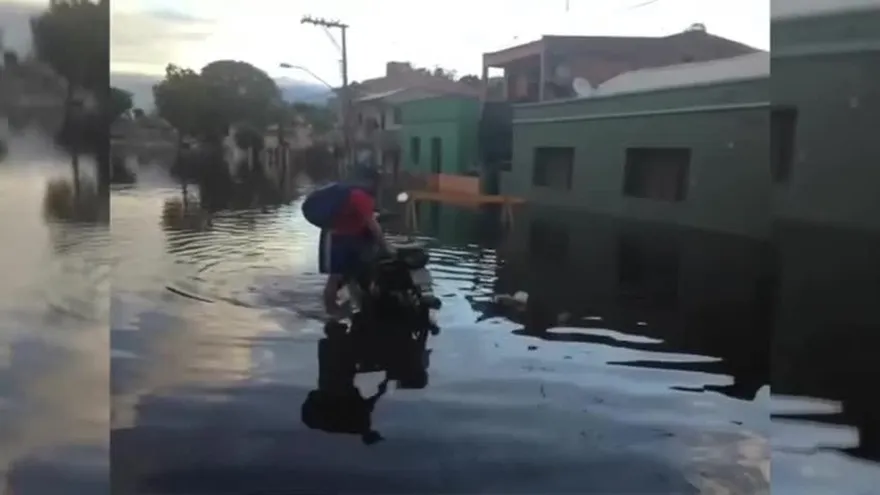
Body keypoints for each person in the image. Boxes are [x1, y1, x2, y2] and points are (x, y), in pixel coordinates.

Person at [301, 165, 393, 318]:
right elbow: (372, 224)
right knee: (335, 276)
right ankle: (331, 311)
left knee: (352, 273)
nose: (379, 186)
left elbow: (364, 216)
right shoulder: (360, 195)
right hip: (335, 239)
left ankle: (357, 305)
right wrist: (385, 246)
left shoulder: (357, 194)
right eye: (377, 182)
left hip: (351, 238)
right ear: (371, 181)